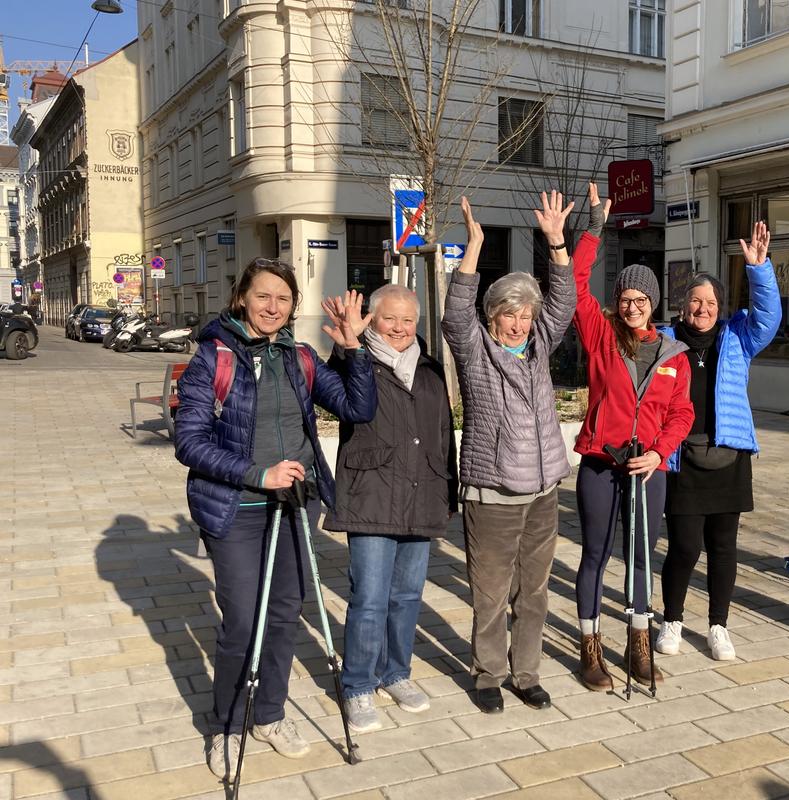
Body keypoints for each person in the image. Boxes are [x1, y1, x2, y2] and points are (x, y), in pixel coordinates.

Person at [174, 259, 376, 780]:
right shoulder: (211, 357)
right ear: (241, 296)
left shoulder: (299, 356)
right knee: (243, 620)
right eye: (263, 296)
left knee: (285, 612)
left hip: (295, 503)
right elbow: (189, 441)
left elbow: (359, 407)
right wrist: (256, 474)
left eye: (283, 300)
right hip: (237, 508)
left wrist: (354, 346)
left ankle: (269, 713)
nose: (272, 307)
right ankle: (226, 726)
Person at [441, 192, 577, 714]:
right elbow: (456, 312)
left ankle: (526, 673)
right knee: (491, 592)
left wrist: (557, 244)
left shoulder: (540, 344)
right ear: (492, 315)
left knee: (535, 592)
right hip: (493, 493)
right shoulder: (475, 348)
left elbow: (562, 305)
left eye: (525, 314)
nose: (518, 323)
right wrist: (472, 247)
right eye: (509, 314)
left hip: (543, 490)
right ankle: (489, 674)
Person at [572, 183, 695, 690]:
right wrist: (594, 227)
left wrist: (661, 454)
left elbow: (681, 415)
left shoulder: (673, 354)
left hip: (649, 468)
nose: (633, 307)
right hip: (602, 461)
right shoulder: (601, 335)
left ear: (654, 303)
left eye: (642, 299)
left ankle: (639, 645)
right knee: (596, 555)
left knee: (642, 557)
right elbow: (576, 285)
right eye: (626, 298)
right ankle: (590, 649)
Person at [323, 284, 457, 731]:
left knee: (406, 597)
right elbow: (337, 393)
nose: (399, 328)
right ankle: (358, 683)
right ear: (372, 321)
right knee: (369, 598)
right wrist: (348, 347)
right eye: (389, 319)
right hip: (371, 495)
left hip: (422, 496)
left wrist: (447, 492)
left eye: (408, 320)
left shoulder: (431, 370)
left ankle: (396, 673)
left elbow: (443, 436)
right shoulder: (356, 361)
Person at [656, 220, 783, 661]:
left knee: (724, 547)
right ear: (683, 305)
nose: (702, 308)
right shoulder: (665, 341)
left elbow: (770, 316)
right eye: (695, 300)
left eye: (710, 302)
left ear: (720, 307)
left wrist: (759, 268)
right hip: (680, 455)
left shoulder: (739, 337)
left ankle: (718, 626)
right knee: (686, 545)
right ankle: (672, 619)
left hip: (729, 454)